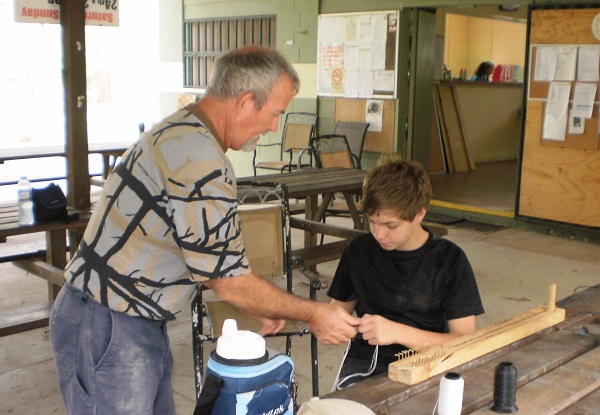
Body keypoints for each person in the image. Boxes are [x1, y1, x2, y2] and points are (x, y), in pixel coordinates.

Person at [49, 46, 360, 415]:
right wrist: (313, 313)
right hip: (110, 324)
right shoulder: (201, 160)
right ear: (246, 102)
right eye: (275, 113)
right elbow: (228, 279)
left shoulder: (181, 129)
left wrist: (259, 301)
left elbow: (217, 266)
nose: (274, 126)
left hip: (128, 320)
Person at [328, 155, 485, 389]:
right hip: (366, 360)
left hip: (428, 360)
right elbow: (337, 312)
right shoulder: (358, 251)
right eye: (372, 222)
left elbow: (463, 341)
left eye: (391, 226)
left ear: (419, 213)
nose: (379, 235)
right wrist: (327, 321)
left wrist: (395, 332)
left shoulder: (450, 260)